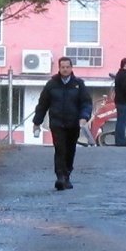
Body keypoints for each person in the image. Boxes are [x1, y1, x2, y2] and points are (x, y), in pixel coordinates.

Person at [33, 57, 92, 191]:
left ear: (71, 68)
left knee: (70, 150)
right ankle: (60, 177)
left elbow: (86, 103)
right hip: (57, 123)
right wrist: (37, 122)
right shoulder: (51, 84)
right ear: (59, 68)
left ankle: (67, 175)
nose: (65, 69)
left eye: (67, 67)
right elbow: (42, 104)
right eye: (62, 67)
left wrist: (84, 117)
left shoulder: (78, 84)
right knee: (60, 150)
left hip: (73, 123)